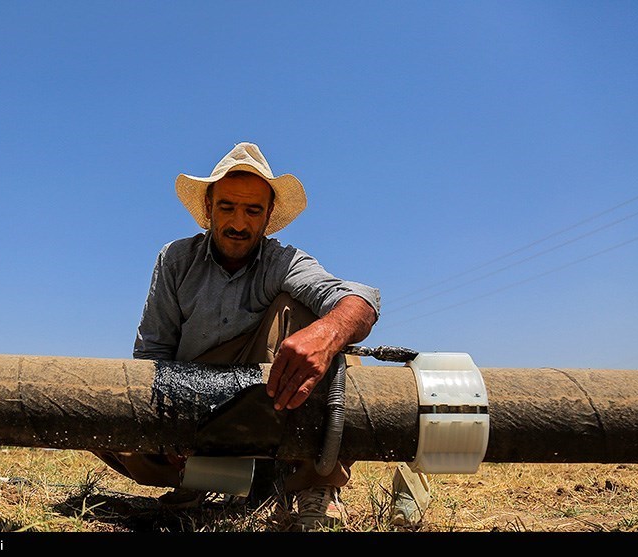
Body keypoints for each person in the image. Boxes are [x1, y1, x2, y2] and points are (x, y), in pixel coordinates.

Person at [93, 142, 428, 530]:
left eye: (253, 210)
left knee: (315, 317)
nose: (239, 222)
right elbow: (153, 352)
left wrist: (326, 334)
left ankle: (313, 484)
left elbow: (360, 300)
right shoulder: (175, 260)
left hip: (267, 401)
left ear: (268, 217)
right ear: (207, 209)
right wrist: (171, 428)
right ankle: (205, 479)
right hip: (190, 404)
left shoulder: (284, 261)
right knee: (94, 410)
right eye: (227, 207)